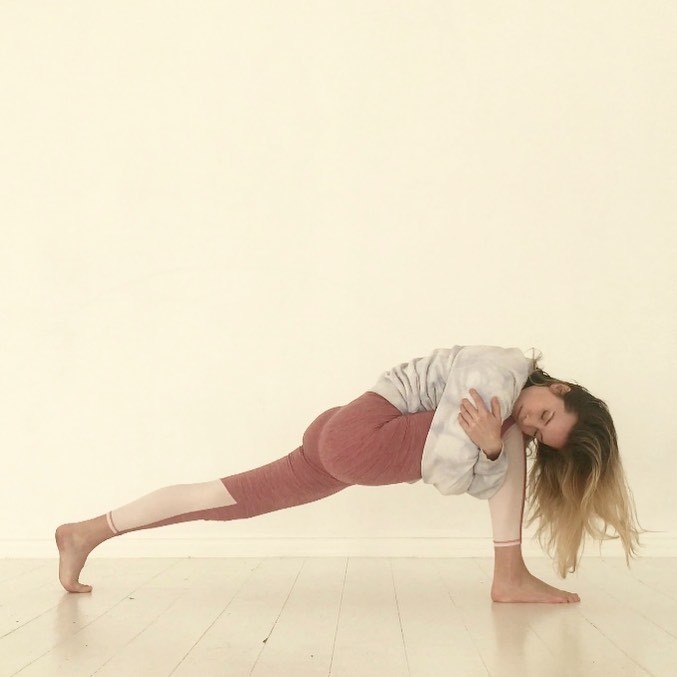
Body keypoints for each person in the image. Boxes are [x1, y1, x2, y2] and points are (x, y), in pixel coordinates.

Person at [55, 345, 642, 603]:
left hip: (339, 433)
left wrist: (488, 453)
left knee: (226, 498)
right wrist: (493, 450)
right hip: (362, 439)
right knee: (502, 440)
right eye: (545, 415)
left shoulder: (508, 399)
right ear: (558, 386)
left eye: (540, 433)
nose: (530, 422)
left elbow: (460, 461)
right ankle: (509, 576)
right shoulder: (502, 372)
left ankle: (86, 532)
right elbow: (445, 475)